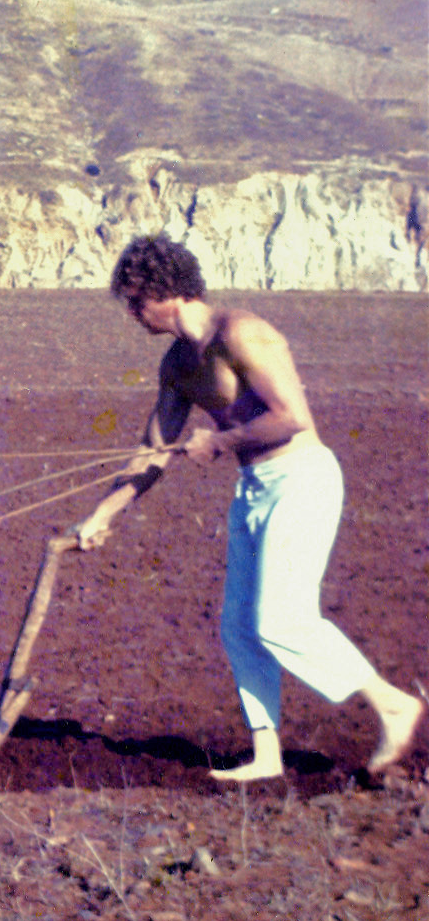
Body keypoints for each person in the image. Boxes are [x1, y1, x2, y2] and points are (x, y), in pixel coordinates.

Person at [72, 235, 421, 781]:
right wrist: (104, 514)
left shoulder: (243, 333)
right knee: (239, 626)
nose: (132, 314)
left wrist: (218, 442)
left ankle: (391, 703)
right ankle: (266, 755)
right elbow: (153, 451)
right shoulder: (176, 363)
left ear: (165, 291)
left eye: (136, 300)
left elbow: (291, 416)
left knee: (281, 621)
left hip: (302, 479)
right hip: (254, 487)